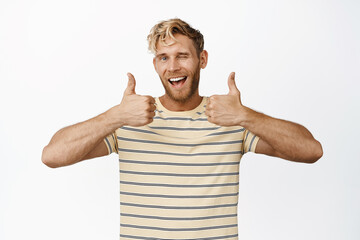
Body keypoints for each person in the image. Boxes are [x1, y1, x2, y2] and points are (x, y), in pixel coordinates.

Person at [42, 18, 323, 240]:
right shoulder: (129, 119)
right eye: (163, 57)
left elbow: (311, 150)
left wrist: (245, 116)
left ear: (202, 59)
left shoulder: (231, 119)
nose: (173, 66)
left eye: (182, 55)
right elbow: (52, 155)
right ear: (155, 64)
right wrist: (114, 116)